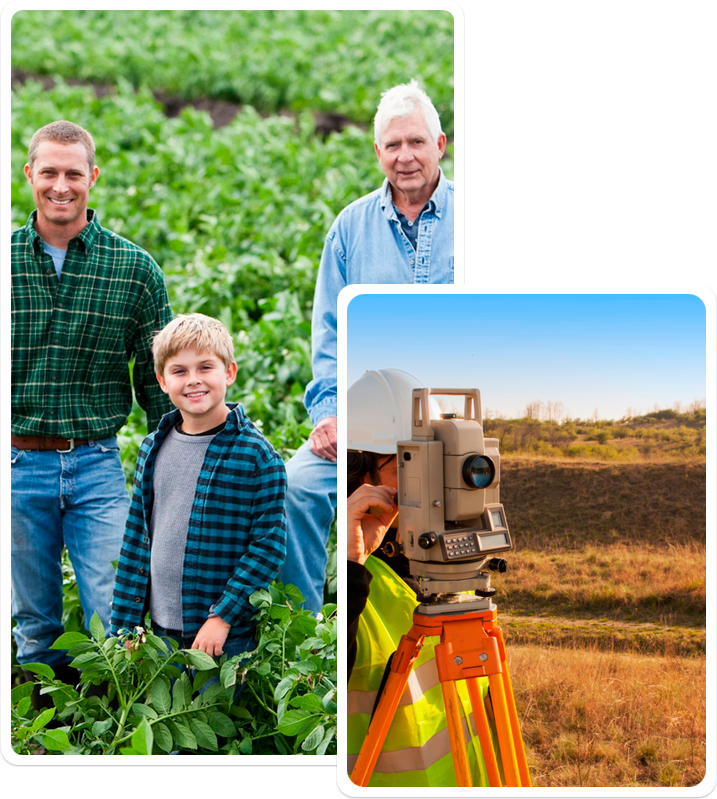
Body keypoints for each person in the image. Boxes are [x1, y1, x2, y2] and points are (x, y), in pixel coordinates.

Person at [279, 80, 454, 611]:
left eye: (416, 142)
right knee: (297, 486)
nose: (405, 157)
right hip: (371, 428)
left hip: (452, 422)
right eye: (393, 145)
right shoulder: (350, 229)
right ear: (378, 152)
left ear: (440, 145)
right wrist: (330, 414)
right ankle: (305, 633)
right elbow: (330, 335)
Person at [11, 121, 173, 689]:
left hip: (96, 464)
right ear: (29, 174)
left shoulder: (133, 271)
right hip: (15, 463)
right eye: (49, 172)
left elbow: (159, 385)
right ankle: (42, 724)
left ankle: (114, 721)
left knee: (117, 606)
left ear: (93, 178)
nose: (61, 185)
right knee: (32, 617)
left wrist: (172, 471)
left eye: (73, 174)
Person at [345, 370, 495, 788]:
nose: (438, 484)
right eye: (411, 463)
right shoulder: (339, 569)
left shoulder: (442, 567)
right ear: (361, 475)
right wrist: (354, 564)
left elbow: (482, 699)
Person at [110, 314, 287, 660]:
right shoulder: (153, 446)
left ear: (229, 372)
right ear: (162, 381)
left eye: (205, 368)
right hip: (159, 631)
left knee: (214, 711)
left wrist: (222, 616)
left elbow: (268, 547)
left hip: (222, 633)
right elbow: (137, 536)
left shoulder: (256, 455)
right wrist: (127, 622)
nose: (193, 381)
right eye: (180, 371)